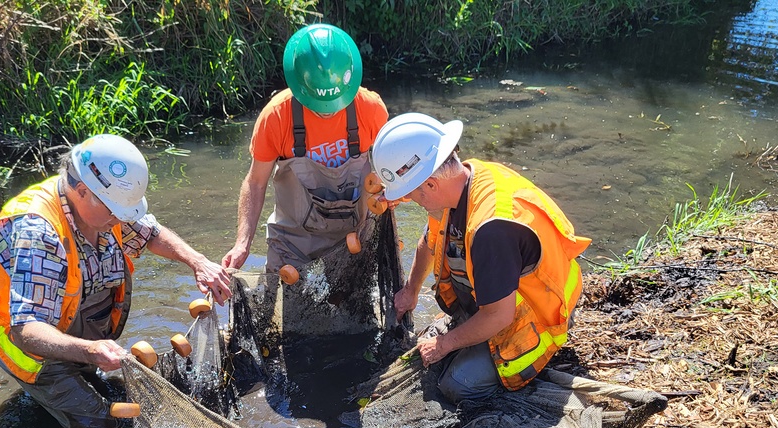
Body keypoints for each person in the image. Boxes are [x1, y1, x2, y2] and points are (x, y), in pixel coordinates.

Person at [0, 133, 232, 428]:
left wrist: (198, 262)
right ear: (81, 190)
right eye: (114, 212)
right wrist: (92, 350)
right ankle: (53, 394)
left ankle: (69, 384)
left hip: (68, 318)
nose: (121, 219)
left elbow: (151, 233)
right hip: (24, 341)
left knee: (99, 388)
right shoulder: (37, 233)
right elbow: (26, 330)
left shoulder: (105, 208)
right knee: (99, 427)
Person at [370, 113, 592, 403]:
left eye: (412, 193)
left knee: (458, 385)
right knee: (442, 354)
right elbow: (430, 238)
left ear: (431, 184)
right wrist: (411, 292)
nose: (411, 199)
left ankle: (519, 368)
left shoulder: (491, 229)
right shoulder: (464, 178)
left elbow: (499, 315)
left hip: (540, 314)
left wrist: (444, 345)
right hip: (506, 296)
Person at [221, 23, 389, 272]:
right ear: (300, 87)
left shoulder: (371, 109)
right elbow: (255, 182)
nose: (327, 111)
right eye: (318, 104)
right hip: (293, 247)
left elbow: (395, 169)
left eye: (334, 103)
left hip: (355, 242)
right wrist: (242, 244)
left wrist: (394, 193)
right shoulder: (276, 116)